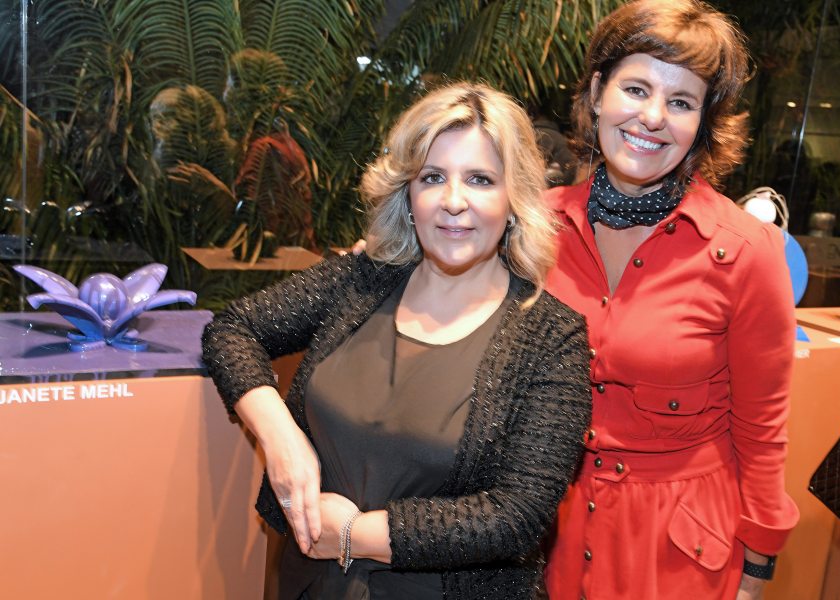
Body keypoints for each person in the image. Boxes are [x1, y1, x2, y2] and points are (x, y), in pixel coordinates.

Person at [202, 82, 591, 600]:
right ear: (408, 194)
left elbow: (517, 516)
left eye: (479, 179)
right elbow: (232, 329)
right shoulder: (362, 280)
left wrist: (352, 535)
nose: (453, 201)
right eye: (433, 177)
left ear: (514, 198)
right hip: (307, 584)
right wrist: (281, 438)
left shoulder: (552, 337)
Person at [541, 1, 799, 599]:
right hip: (545, 532)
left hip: (677, 552)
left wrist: (756, 571)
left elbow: (762, 431)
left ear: (703, 123)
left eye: (681, 102)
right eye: (636, 89)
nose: (653, 117)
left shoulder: (747, 251)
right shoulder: (536, 228)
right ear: (598, 93)